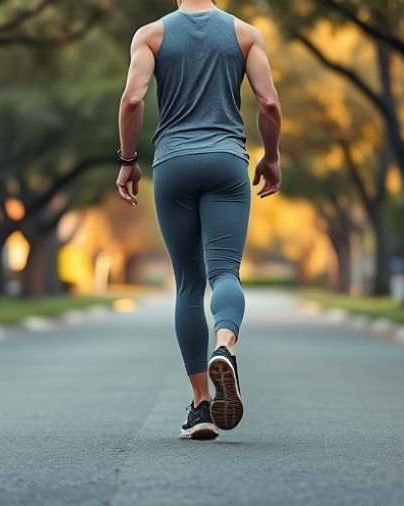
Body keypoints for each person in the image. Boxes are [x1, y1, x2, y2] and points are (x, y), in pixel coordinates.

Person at [115, 0, 282, 440]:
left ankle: (201, 406)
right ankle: (225, 346)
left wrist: (128, 161)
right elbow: (268, 103)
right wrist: (273, 157)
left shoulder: (151, 35)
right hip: (228, 160)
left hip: (173, 164)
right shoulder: (246, 35)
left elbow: (133, 98)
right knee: (225, 272)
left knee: (189, 283)